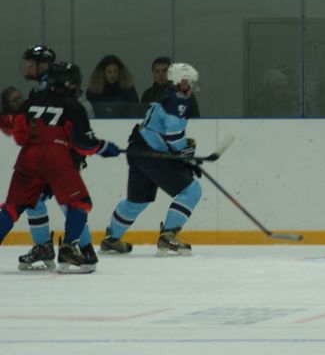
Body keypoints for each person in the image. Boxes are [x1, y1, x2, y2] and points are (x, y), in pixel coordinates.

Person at [0, 61, 121, 273]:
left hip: (28, 158)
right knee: (79, 203)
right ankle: (68, 249)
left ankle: (46, 248)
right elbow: (83, 144)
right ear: (68, 83)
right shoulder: (73, 106)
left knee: (13, 207)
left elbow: (20, 136)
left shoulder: (32, 100)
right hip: (57, 157)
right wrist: (104, 147)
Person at [100, 63, 202, 256]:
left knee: (137, 201)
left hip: (138, 151)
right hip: (151, 156)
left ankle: (111, 239)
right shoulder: (178, 101)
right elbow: (173, 137)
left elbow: (164, 134)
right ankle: (168, 237)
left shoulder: (165, 96)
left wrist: (183, 154)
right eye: (189, 83)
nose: (191, 87)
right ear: (180, 82)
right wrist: (184, 154)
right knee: (192, 190)